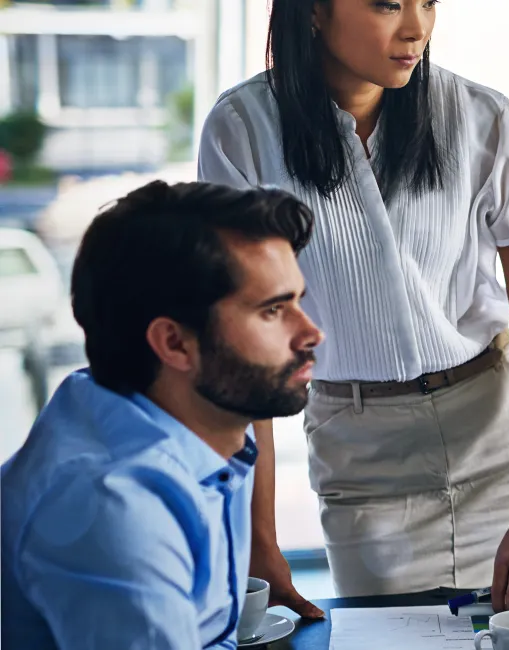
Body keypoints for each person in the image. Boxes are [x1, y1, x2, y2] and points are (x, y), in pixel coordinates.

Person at [197, 0, 509, 613]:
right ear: (315, 10)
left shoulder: (483, 118)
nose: (415, 27)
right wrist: (258, 541)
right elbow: (246, 352)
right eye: (387, 4)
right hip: (361, 456)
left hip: (501, 444)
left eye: (428, 3)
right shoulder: (241, 132)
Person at [1, 181, 322, 649]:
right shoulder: (111, 503)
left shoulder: (206, 437)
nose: (312, 332)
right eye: (272, 310)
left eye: (298, 301)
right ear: (173, 343)